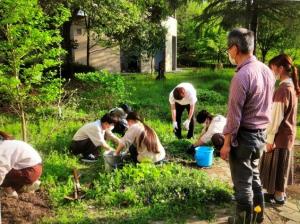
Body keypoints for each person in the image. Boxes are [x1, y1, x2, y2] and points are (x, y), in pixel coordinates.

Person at [220, 28, 275, 224]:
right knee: (255, 178)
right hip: (260, 134)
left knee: (242, 184)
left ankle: (243, 221)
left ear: (235, 48)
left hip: (244, 137)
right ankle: (258, 216)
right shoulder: (267, 71)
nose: (229, 52)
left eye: (228, 48)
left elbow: (234, 116)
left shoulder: (242, 76)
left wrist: (226, 143)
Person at [259, 54, 299, 205]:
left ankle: (278, 196)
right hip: (287, 134)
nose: (271, 72)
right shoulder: (292, 86)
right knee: (281, 165)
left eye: (273, 68)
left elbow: (276, 117)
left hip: (280, 135)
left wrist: (269, 139)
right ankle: (278, 195)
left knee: (277, 165)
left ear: (281, 69)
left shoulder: (283, 89)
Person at [0, 131, 42, 199]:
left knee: (3, 172)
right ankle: (11, 192)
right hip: (32, 167)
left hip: (30, 170)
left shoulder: (2, 148)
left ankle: (27, 186)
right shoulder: (5, 143)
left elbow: (1, 169)